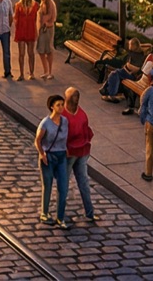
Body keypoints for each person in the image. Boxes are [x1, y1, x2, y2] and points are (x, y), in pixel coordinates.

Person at [39, 93, 74, 229]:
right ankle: (44, 213)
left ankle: (60, 217)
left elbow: (67, 137)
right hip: (48, 157)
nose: (61, 107)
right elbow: (37, 140)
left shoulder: (65, 121)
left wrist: (67, 149)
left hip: (61, 157)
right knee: (47, 185)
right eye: (58, 105)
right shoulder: (45, 123)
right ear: (52, 107)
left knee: (63, 188)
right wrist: (42, 154)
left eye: (62, 104)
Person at [63, 87, 97, 225]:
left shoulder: (69, 115)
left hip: (75, 153)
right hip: (75, 153)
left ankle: (63, 214)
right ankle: (88, 213)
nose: (76, 99)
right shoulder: (78, 114)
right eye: (74, 96)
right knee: (78, 182)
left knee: (68, 182)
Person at [15, 0, 41, 80]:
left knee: (31, 53)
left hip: (31, 31)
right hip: (21, 31)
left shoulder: (36, 5)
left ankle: (31, 73)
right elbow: (16, 19)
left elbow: (38, 19)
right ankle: (21, 74)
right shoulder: (18, 5)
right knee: (21, 54)